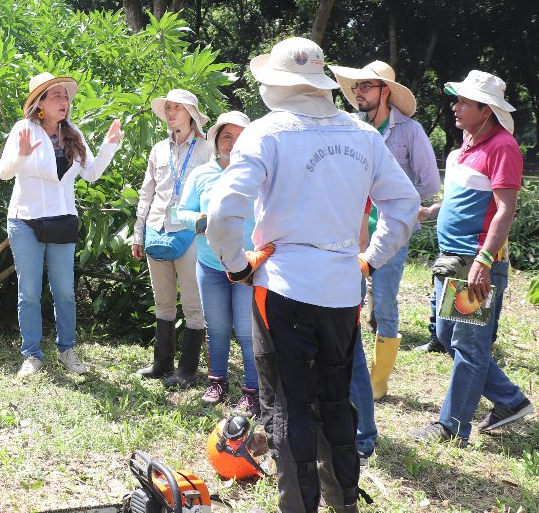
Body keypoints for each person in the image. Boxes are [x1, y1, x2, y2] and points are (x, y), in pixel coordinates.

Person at [206, 37, 419, 513]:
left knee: (288, 405)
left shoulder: (265, 133)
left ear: (276, 84)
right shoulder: (363, 135)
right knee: (336, 400)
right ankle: (343, 501)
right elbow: (405, 206)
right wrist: (371, 258)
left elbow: (223, 210)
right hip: (344, 287)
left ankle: (298, 506)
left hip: (282, 287)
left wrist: (238, 265)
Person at [411, 71, 533, 445]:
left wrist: (484, 259)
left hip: (475, 262)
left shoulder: (502, 146)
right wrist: (430, 212)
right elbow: (460, 199)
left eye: (464, 102)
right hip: (454, 259)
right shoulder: (467, 145)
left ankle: (451, 427)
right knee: (449, 337)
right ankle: (510, 401)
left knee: (470, 346)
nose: (455, 107)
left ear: (486, 110)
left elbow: (504, 210)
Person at [329, 61, 441, 462]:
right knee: (352, 310)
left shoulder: (408, 131)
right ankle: (361, 383)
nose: (358, 93)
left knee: (386, 306)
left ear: (385, 91)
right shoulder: (353, 129)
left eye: (366, 87)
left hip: (389, 235)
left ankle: (377, 382)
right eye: (355, 87)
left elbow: (429, 183)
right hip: (350, 234)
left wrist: (400, 202)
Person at [0, 73, 123, 378]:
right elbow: (3, 172)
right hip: (25, 219)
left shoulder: (74, 133)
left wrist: (109, 146)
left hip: (63, 219)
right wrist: (20, 156)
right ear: (40, 103)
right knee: (28, 291)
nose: (64, 101)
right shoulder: (23, 129)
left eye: (65, 96)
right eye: (56, 96)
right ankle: (32, 355)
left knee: (65, 291)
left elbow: (90, 174)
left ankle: (67, 350)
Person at [176, 111, 260, 415]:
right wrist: (198, 220)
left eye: (240, 138)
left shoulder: (259, 174)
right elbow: (180, 213)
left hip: (248, 266)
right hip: (210, 264)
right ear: (216, 140)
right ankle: (217, 382)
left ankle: (253, 390)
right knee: (218, 327)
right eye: (227, 136)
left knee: (247, 329)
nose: (233, 143)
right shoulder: (201, 175)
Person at [133, 89, 212, 387]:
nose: (170, 112)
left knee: (193, 304)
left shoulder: (206, 150)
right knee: (162, 301)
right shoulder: (157, 150)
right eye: (167, 107)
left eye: (176, 107)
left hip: (190, 233)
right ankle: (161, 363)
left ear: (190, 112)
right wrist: (138, 233)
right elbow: (147, 192)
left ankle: (188, 370)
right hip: (156, 229)